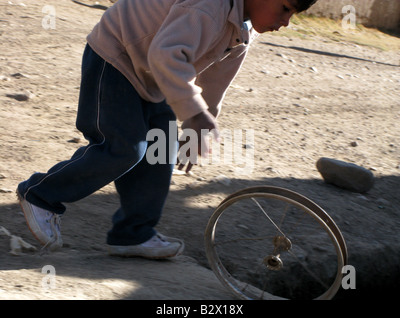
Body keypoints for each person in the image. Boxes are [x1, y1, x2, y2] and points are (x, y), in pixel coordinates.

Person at [16, 0, 318, 259]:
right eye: (285, 8)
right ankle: (39, 195)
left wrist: (197, 123)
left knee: (161, 151)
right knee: (125, 147)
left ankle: (133, 234)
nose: (285, 22)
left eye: (292, 15)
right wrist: (194, 113)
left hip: (154, 77)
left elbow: (213, 83)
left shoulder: (241, 31)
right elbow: (166, 54)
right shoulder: (209, 7)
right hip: (116, 55)